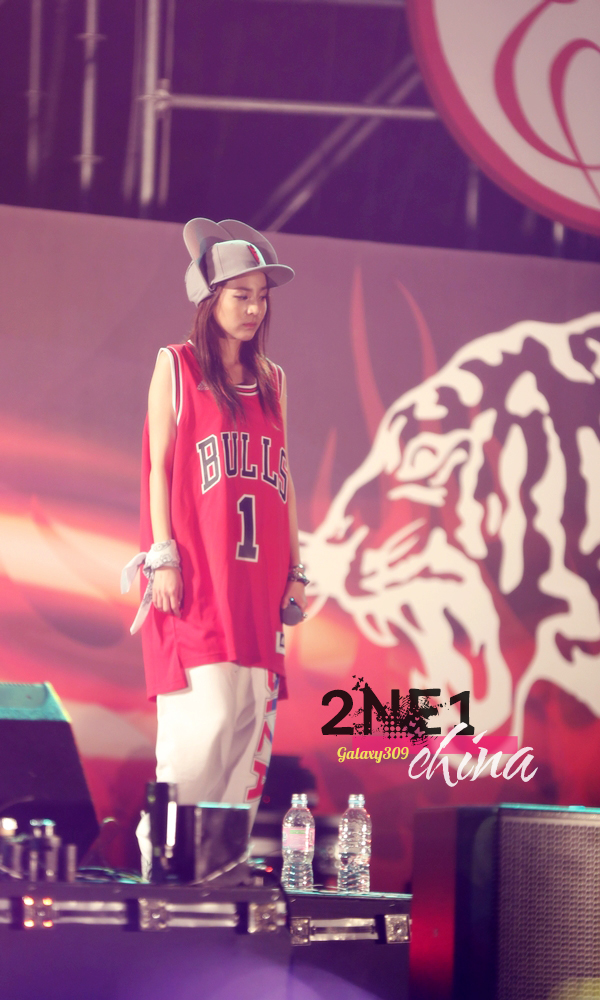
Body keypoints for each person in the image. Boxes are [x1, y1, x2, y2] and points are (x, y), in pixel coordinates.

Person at [121, 218, 308, 873]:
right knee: (203, 729)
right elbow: (158, 466)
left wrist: (298, 572)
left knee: (246, 734)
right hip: (199, 580)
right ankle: (164, 869)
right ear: (210, 297)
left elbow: (284, 477)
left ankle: (216, 878)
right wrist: (162, 555)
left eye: (262, 297)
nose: (254, 308)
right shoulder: (175, 366)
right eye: (241, 295)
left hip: (259, 586)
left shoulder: (273, 380)